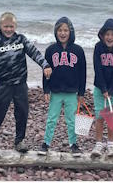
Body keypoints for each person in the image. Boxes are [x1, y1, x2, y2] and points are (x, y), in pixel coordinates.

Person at [0, 12, 52, 153]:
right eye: (6, 26)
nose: (8, 29)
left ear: (15, 26)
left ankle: (20, 141)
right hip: (4, 85)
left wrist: (45, 65)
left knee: (22, 113)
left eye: (11, 26)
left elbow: (34, 53)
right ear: (0, 26)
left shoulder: (21, 39)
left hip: (20, 84)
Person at [38, 17, 86, 157]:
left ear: (71, 31)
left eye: (66, 30)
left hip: (72, 92)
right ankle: (46, 143)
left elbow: (82, 73)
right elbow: (45, 71)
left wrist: (81, 93)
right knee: (52, 118)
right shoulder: (50, 50)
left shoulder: (78, 50)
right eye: (60, 30)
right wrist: (46, 89)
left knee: (71, 119)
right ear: (55, 32)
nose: (63, 33)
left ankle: (74, 144)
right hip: (56, 91)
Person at [91, 18, 113, 157]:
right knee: (99, 117)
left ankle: (111, 145)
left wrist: (111, 90)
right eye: (107, 34)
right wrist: (103, 89)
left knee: (112, 117)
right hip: (99, 88)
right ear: (102, 35)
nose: (110, 37)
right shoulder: (98, 47)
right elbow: (97, 69)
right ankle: (98, 144)